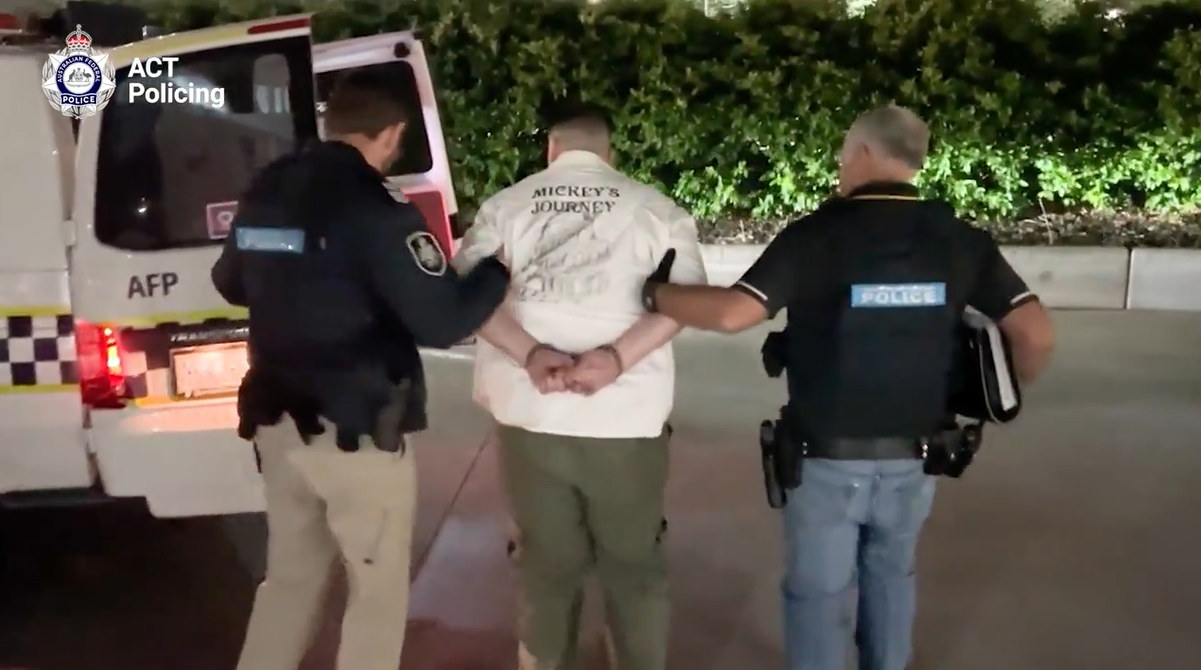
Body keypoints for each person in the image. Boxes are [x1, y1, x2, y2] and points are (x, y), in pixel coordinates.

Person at [640, 104, 1056, 670]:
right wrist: (1003, 393)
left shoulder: (817, 236)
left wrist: (656, 295)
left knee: (819, 593)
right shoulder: (960, 239)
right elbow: (1035, 334)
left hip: (826, 459)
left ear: (861, 151)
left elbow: (735, 313)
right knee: (892, 575)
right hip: (919, 454)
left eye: (843, 154)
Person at [210, 69, 512, 670]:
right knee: (376, 592)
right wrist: (496, 273)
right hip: (355, 431)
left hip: (277, 422)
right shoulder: (377, 207)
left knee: (290, 580)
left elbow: (230, 282)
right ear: (394, 132)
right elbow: (443, 321)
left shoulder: (271, 185)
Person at [453, 102, 708, 670]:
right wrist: (616, 360)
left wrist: (531, 354)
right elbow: (685, 302)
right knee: (634, 566)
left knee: (546, 565)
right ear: (608, 154)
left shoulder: (506, 206)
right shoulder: (655, 209)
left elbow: (466, 299)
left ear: (552, 149)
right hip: (625, 422)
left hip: (530, 417)